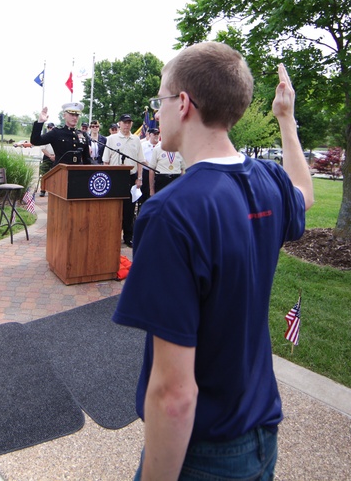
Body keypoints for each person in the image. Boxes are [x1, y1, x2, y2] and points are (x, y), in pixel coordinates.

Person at [113, 42, 313, 480]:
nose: (156, 112)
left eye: (160, 101)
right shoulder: (268, 180)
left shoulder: (172, 214)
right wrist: (286, 118)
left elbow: (173, 394)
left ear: (183, 103)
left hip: (204, 454)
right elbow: (306, 194)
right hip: (261, 431)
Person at [104, 113, 146, 247]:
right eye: (124, 122)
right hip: (115, 176)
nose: (127, 125)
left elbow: (140, 160)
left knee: (129, 209)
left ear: (131, 124)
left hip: (131, 176)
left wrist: (139, 178)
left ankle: (128, 237)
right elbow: (106, 161)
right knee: (114, 208)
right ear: (119, 124)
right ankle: (113, 236)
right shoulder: (111, 139)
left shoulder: (136, 139)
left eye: (129, 122)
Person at [30, 103, 92, 167]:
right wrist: (40, 122)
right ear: (64, 115)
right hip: (60, 172)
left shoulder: (82, 135)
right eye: (72, 114)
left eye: (77, 115)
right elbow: (35, 141)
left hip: (77, 172)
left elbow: (86, 159)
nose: (75, 117)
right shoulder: (57, 133)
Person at [138, 128, 161, 209]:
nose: (156, 135)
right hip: (146, 172)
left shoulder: (161, 145)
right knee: (145, 193)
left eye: (158, 133)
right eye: (154, 134)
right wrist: (151, 166)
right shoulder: (143, 145)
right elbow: (141, 158)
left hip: (158, 173)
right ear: (149, 135)